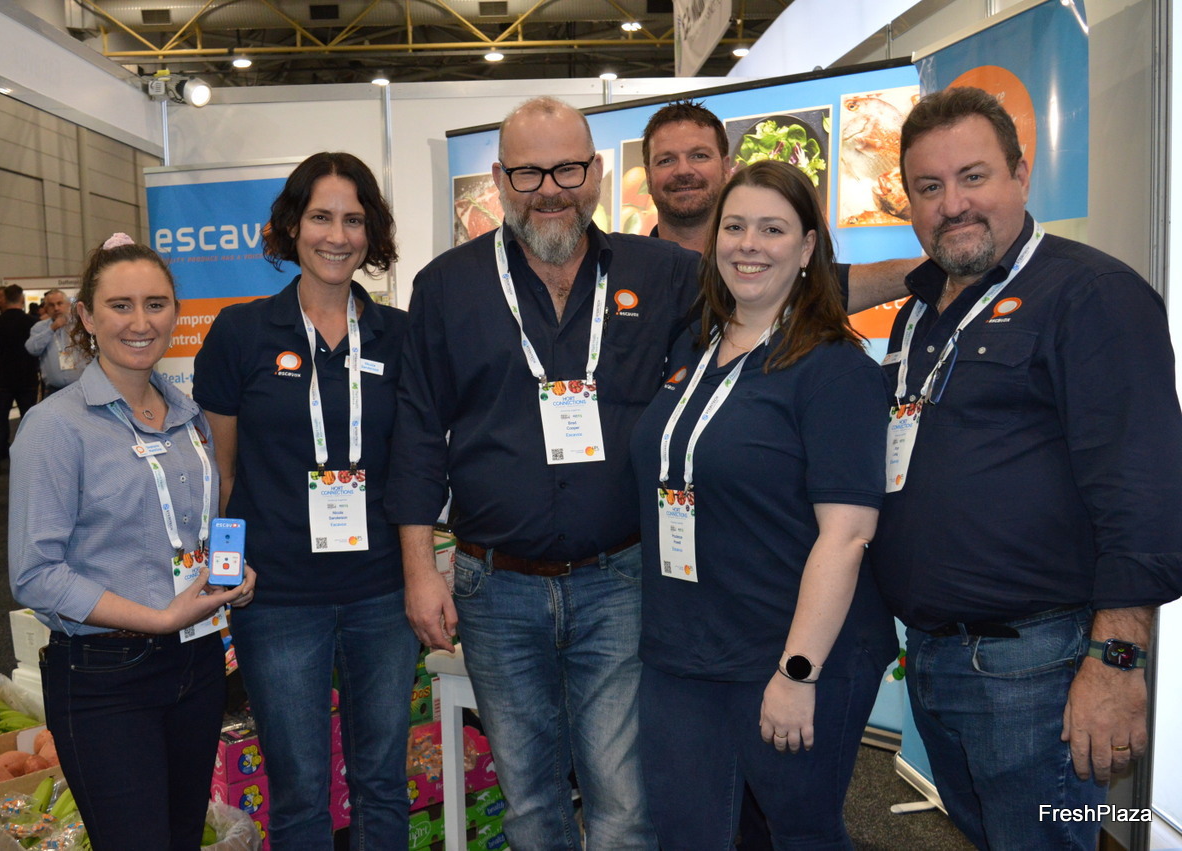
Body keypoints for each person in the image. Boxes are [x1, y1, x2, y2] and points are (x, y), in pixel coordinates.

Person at [870, 86, 1182, 850]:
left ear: (1020, 174)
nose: (953, 204)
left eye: (973, 177)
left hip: (1038, 671)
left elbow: (1142, 493)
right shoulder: (919, 312)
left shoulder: (1091, 294)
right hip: (937, 658)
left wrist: (1117, 662)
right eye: (929, 186)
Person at [388, 96, 700, 850]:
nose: (551, 190)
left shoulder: (665, 274)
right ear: (499, 179)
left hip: (620, 579)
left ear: (597, 173)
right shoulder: (446, 286)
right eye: (529, 173)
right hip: (495, 587)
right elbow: (419, 433)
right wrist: (419, 572)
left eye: (568, 169)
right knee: (530, 802)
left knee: (623, 801)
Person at [630, 160, 894, 848]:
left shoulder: (835, 370)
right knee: (686, 834)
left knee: (799, 833)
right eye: (735, 227)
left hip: (789, 653)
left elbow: (846, 536)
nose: (749, 245)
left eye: (773, 230)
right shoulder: (693, 349)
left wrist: (797, 672)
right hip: (682, 652)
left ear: (807, 248)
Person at [194, 152, 419, 849]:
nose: (337, 235)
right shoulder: (241, 333)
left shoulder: (400, 336)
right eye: (321, 216)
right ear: (292, 225)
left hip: (381, 593)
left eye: (354, 220)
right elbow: (220, 475)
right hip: (278, 597)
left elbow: (415, 464)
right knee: (298, 793)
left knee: (383, 782)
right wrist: (225, 574)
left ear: (371, 233)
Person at [8, 234, 256, 850]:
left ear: (175, 312)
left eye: (155, 304)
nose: (140, 322)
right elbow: (35, 574)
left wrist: (230, 574)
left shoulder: (188, 415)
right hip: (105, 676)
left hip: (197, 661)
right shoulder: (55, 426)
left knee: (184, 837)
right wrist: (159, 618)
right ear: (87, 317)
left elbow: (188, 530)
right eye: (120, 306)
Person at [640, 98, 919, 307]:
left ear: (726, 168)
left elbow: (839, 286)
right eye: (666, 160)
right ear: (648, 176)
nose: (683, 170)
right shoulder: (631, 271)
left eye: (699, 156)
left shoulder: (759, 265)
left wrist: (934, 267)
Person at [0, 283, 39, 475]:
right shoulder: (33, 323)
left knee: (0, 419)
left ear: (5, 298)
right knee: (29, 419)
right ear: (22, 299)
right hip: (27, 378)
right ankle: (32, 460)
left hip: (3, 379)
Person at [27, 288, 86, 396]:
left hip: (82, 388)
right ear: (46, 308)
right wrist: (52, 328)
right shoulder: (39, 327)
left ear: (68, 304)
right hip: (53, 390)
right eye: (51, 305)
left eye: (59, 303)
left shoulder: (81, 325)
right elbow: (32, 349)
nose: (56, 308)